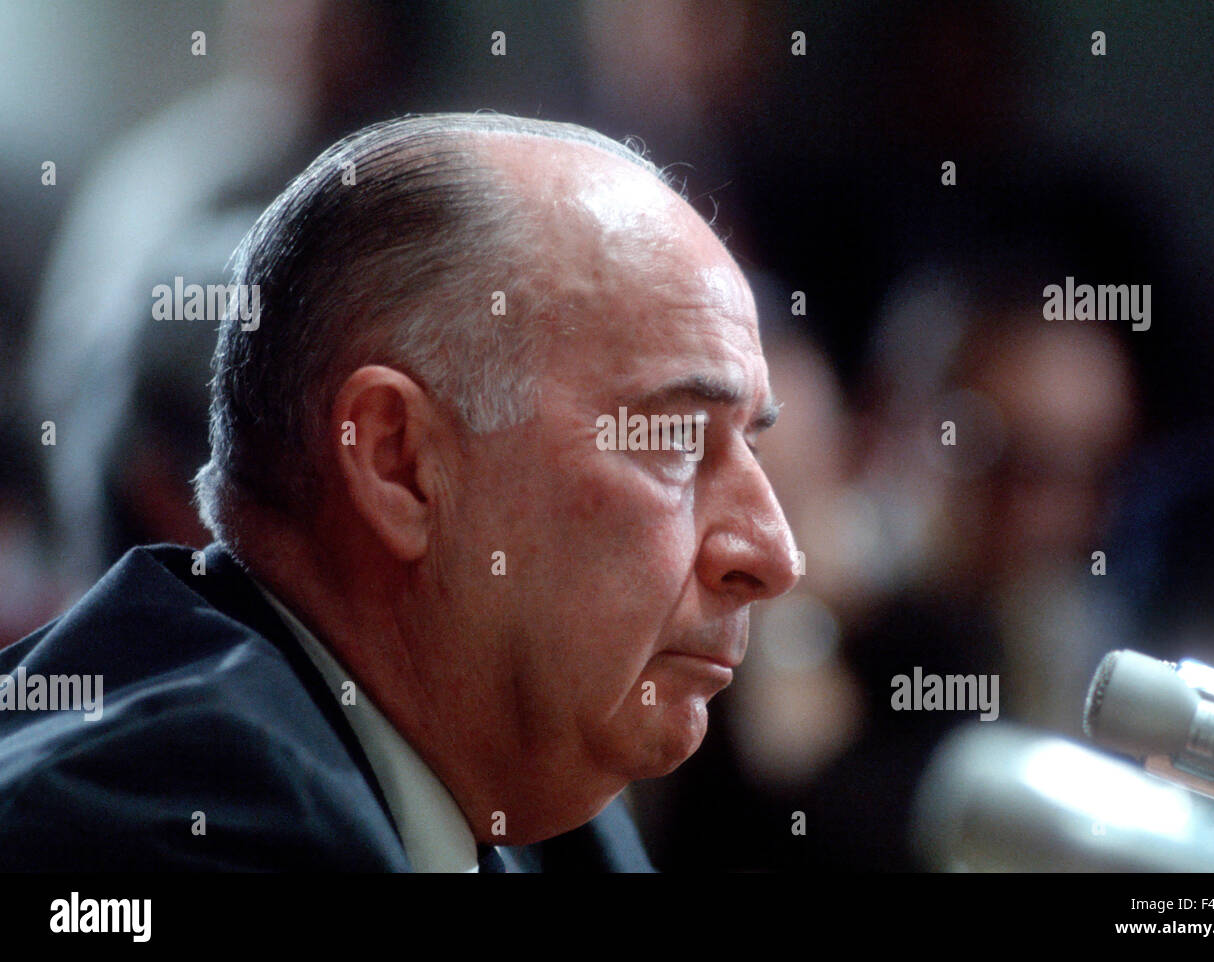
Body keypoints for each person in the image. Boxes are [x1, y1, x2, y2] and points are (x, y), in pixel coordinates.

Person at [0, 113, 799, 871]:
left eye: (752, 444)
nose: (774, 555)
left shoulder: (538, 804)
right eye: (672, 440)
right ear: (399, 461)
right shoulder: (145, 827)